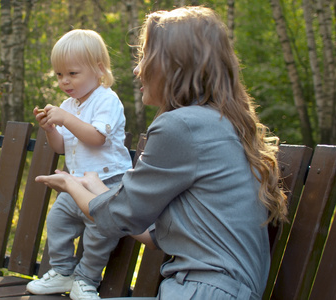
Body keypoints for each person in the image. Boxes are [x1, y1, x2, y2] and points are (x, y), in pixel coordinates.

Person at [35, 6, 288, 300]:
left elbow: (118, 218)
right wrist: (100, 190)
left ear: (173, 65)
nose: (137, 69)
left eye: (145, 57)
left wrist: (69, 185)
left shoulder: (180, 126)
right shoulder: (220, 121)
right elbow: (152, 235)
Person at [27, 29, 133, 300]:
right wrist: (51, 127)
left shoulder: (106, 100)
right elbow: (61, 146)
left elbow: (96, 138)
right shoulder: (68, 105)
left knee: (99, 233)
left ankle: (85, 280)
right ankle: (63, 273)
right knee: (58, 220)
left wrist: (64, 118)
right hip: (76, 184)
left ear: (98, 69)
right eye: (59, 74)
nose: (65, 81)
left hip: (107, 184)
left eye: (72, 73)